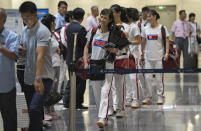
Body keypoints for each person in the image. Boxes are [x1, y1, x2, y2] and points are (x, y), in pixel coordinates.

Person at [19, 2, 54, 131]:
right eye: (23, 17)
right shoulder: (24, 30)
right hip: (29, 77)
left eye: (28, 17)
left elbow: (40, 56)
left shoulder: (43, 31)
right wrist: (21, 50)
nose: (25, 20)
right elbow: (26, 48)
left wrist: (38, 79)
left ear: (35, 14)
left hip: (43, 76)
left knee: (34, 109)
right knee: (32, 111)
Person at [83, 8, 113, 111]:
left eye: (105, 18)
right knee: (96, 92)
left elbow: (119, 49)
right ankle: (102, 112)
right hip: (94, 64)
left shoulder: (112, 33)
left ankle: (105, 113)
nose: (102, 19)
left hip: (107, 65)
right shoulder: (93, 30)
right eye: (101, 17)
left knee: (106, 90)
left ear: (110, 20)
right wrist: (86, 61)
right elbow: (86, 47)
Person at [141, 9, 169, 105]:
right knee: (147, 78)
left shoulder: (162, 28)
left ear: (155, 16)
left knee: (158, 78)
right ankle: (148, 96)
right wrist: (142, 54)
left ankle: (160, 96)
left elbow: (167, 40)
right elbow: (143, 41)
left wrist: (167, 53)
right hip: (148, 57)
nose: (148, 18)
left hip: (159, 57)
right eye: (147, 16)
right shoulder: (145, 28)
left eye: (149, 16)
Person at [65, 7, 88, 109]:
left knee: (72, 82)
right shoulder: (81, 29)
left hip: (69, 58)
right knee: (80, 82)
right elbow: (85, 44)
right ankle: (77, 103)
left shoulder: (68, 27)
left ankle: (70, 102)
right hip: (79, 59)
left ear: (73, 16)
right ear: (82, 18)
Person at [0, 8, 18, 131]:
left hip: (6, 87)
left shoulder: (12, 36)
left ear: (4, 20)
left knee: (10, 119)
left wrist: (1, 48)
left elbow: (14, 55)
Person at [41, 14, 61, 120]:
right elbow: (47, 49)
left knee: (54, 89)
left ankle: (51, 109)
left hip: (56, 63)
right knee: (49, 89)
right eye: (54, 21)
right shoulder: (45, 34)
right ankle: (45, 111)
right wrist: (55, 49)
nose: (55, 24)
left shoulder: (51, 34)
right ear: (50, 23)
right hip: (50, 65)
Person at [126, 8, 141, 108]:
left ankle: (136, 99)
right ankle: (129, 97)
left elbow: (138, 40)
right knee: (127, 78)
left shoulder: (135, 27)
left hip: (134, 55)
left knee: (133, 78)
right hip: (127, 54)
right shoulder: (129, 26)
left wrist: (128, 42)